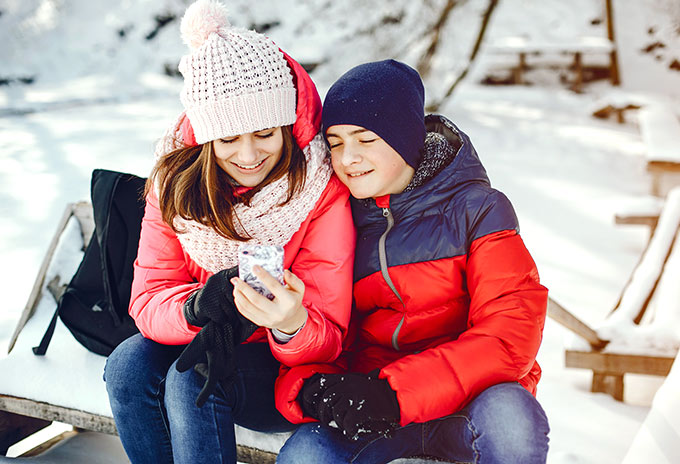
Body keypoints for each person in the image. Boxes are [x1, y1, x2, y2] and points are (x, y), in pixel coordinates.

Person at [103, 1, 355, 463]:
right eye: (228, 139)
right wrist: (197, 306)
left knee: (193, 375)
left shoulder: (319, 188)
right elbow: (147, 300)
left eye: (264, 133)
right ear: (205, 140)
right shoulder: (176, 187)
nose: (248, 154)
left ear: (286, 127)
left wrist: (290, 321)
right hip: (201, 338)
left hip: (284, 366)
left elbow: (330, 336)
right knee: (127, 366)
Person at [275, 60, 550, 464]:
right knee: (307, 455)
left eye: (365, 139)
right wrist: (312, 388)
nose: (348, 158)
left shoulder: (478, 210)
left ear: (404, 138)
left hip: (470, 405)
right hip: (373, 409)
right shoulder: (334, 219)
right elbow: (321, 331)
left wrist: (395, 393)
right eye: (335, 143)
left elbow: (509, 335)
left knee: (513, 419)